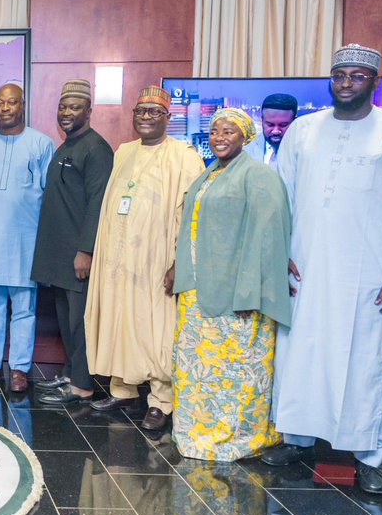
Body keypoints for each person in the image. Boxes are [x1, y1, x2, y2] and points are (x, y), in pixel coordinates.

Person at [261, 44, 382, 494]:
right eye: (339, 74)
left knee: (369, 361)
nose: (346, 83)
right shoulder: (303, 130)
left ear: (374, 82)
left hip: (371, 274)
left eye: (357, 76)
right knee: (302, 353)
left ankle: (370, 457)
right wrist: (279, 253)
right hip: (307, 269)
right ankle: (297, 439)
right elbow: (281, 198)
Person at [170, 108, 292, 460]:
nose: (220, 137)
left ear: (245, 137)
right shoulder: (210, 173)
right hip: (199, 290)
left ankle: (238, 434)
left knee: (236, 368)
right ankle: (199, 430)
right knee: (198, 368)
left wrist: (250, 289)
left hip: (238, 293)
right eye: (214, 131)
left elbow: (268, 238)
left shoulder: (258, 176)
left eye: (229, 131)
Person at [84, 86, 204, 432]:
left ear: (168, 117)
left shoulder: (184, 156)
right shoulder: (124, 152)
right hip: (119, 257)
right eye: (141, 111)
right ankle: (123, 389)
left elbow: (192, 216)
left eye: (154, 112)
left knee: (155, 326)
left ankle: (161, 400)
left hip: (157, 258)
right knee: (120, 317)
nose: (146, 117)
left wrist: (179, 262)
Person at [31, 79, 114, 405]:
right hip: (58, 252)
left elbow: (98, 203)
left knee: (81, 321)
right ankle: (69, 373)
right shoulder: (66, 146)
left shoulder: (96, 149)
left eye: (74, 107)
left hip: (77, 254)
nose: (67, 113)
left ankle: (82, 384)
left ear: (89, 112)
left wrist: (86, 250)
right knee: (66, 319)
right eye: (63, 107)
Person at [0, 83, 55, 393]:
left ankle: (19, 368)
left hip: (25, 240)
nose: (6, 108)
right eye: (0, 103)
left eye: (12, 102)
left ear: (23, 106)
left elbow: (49, 197)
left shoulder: (41, 144)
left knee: (24, 308)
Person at [259, 93, 298, 166]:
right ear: (262, 121)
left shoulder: (306, 151)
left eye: (283, 125)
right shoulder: (245, 151)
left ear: (295, 122)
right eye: (270, 125)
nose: (276, 131)